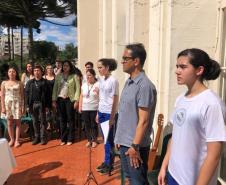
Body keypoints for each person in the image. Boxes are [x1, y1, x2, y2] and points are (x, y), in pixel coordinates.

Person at [158, 48, 226, 185]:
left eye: (183, 67)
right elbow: (175, 137)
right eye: (177, 66)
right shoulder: (180, 99)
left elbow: (214, 155)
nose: (177, 71)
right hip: (173, 174)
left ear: (199, 70)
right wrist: (164, 166)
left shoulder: (212, 104)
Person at [114, 43, 157, 185]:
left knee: (138, 181)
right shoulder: (129, 82)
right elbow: (126, 114)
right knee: (131, 179)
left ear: (136, 61)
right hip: (125, 143)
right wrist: (119, 138)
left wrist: (134, 147)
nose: (122, 62)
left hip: (135, 146)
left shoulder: (145, 86)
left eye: (125, 58)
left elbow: (144, 120)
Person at [96, 58, 119, 175]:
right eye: (98, 67)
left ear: (107, 67)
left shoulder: (113, 81)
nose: (98, 69)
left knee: (109, 141)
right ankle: (106, 161)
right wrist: (97, 113)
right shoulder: (102, 80)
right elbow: (101, 97)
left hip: (109, 114)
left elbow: (115, 99)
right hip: (101, 112)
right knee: (105, 140)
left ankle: (109, 165)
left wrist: (112, 117)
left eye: (100, 67)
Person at [52, 60, 80, 146]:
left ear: (70, 67)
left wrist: (76, 101)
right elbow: (55, 89)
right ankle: (63, 138)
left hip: (70, 100)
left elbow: (77, 89)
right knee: (62, 119)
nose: (65, 67)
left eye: (67, 66)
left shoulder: (74, 76)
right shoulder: (58, 76)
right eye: (64, 65)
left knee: (70, 119)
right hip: (60, 100)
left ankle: (70, 138)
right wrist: (54, 100)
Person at [25, 64, 51, 145]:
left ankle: (43, 138)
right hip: (32, 104)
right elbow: (26, 94)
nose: (36, 72)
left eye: (38, 70)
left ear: (41, 72)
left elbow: (49, 95)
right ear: (33, 72)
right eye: (35, 71)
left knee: (43, 121)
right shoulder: (30, 82)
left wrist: (47, 106)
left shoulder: (45, 82)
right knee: (35, 121)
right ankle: (37, 137)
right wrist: (27, 106)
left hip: (42, 104)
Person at [1, 66, 24, 147]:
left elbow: (22, 96)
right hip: (8, 105)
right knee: (9, 123)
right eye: (10, 71)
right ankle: (12, 139)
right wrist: (3, 107)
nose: (11, 73)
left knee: (18, 123)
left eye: (13, 71)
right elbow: (2, 95)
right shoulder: (4, 83)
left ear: (16, 73)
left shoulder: (20, 83)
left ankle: (17, 140)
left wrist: (22, 108)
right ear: (8, 73)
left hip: (17, 104)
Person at [79, 68, 99, 148]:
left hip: (94, 108)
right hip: (85, 108)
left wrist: (99, 110)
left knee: (93, 124)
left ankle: (94, 140)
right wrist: (80, 106)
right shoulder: (84, 85)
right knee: (87, 125)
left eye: (90, 75)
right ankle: (89, 140)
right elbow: (81, 96)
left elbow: (100, 97)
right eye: (87, 75)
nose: (88, 77)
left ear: (94, 76)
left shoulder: (98, 84)